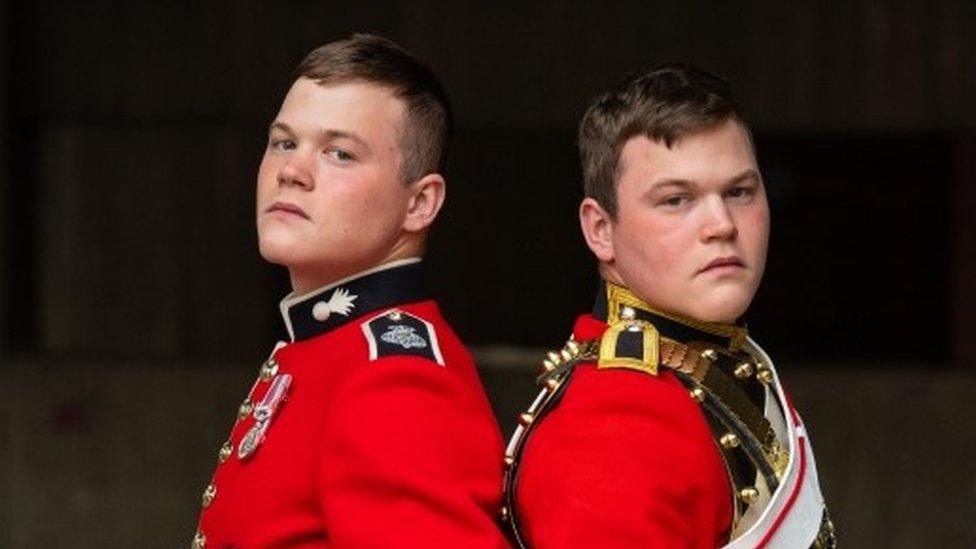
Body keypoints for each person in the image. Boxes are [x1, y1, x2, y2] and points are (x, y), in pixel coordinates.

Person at [192, 34, 509, 548]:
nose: (291, 171)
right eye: (284, 142)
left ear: (420, 203)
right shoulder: (324, 348)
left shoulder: (396, 375)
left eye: (339, 153)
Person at [502, 64, 835, 548]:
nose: (721, 223)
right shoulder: (610, 433)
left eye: (739, 192)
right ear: (600, 230)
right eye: (677, 200)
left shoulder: (712, 368)